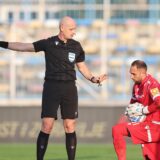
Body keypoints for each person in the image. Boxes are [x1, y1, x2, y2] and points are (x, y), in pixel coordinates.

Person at [0, 16, 107, 160]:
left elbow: (81, 66)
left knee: (70, 125)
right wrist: (2, 43)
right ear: (62, 28)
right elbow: (25, 47)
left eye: (74, 29)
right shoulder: (48, 43)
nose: (74, 32)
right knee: (47, 125)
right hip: (51, 87)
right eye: (71, 29)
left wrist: (93, 78)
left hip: (69, 88)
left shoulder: (76, 46)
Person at [112, 60, 160, 160]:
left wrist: (145, 110)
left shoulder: (152, 84)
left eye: (134, 74)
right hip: (145, 125)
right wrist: (125, 116)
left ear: (143, 73)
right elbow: (132, 104)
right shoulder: (136, 86)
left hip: (154, 126)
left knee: (117, 130)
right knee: (150, 157)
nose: (131, 76)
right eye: (130, 73)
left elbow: (159, 102)